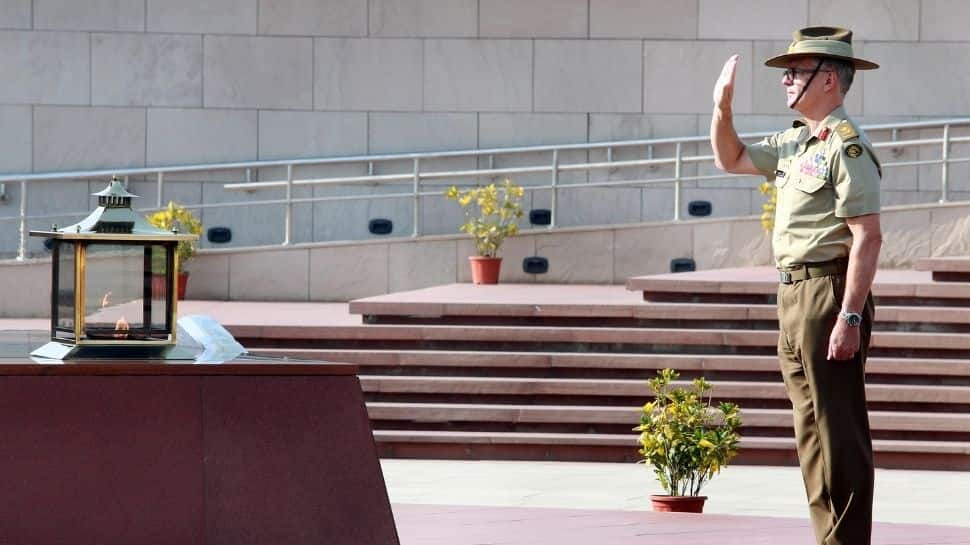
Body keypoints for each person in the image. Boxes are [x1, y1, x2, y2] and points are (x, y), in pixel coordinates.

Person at [709, 27, 882, 545]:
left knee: (837, 432)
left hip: (827, 295)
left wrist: (849, 316)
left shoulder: (845, 148)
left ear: (828, 79)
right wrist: (722, 110)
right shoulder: (797, 141)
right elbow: (731, 158)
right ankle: (826, 537)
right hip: (793, 293)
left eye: (795, 72)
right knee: (810, 432)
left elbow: (867, 237)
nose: (785, 80)